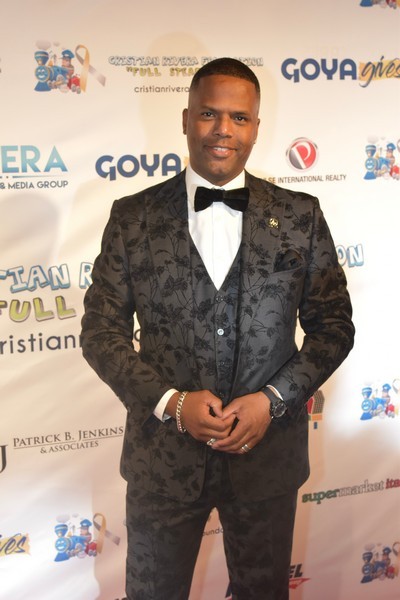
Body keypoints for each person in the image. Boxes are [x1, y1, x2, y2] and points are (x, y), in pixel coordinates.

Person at [81, 57, 355, 600]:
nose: (223, 129)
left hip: (267, 461)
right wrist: (172, 403)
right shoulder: (132, 218)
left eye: (239, 117)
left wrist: (272, 401)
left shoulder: (300, 216)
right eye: (209, 113)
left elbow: (333, 327)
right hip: (162, 462)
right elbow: (100, 333)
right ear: (186, 119)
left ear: (256, 127)